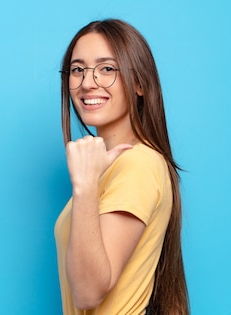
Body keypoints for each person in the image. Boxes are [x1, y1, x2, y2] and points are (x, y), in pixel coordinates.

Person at [54, 19, 190, 315]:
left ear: (140, 83)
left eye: (107, 68)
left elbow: (89, 293)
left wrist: (85, 184)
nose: (88, 82)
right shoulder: (115, 166)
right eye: (78, 69)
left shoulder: (138, 163)